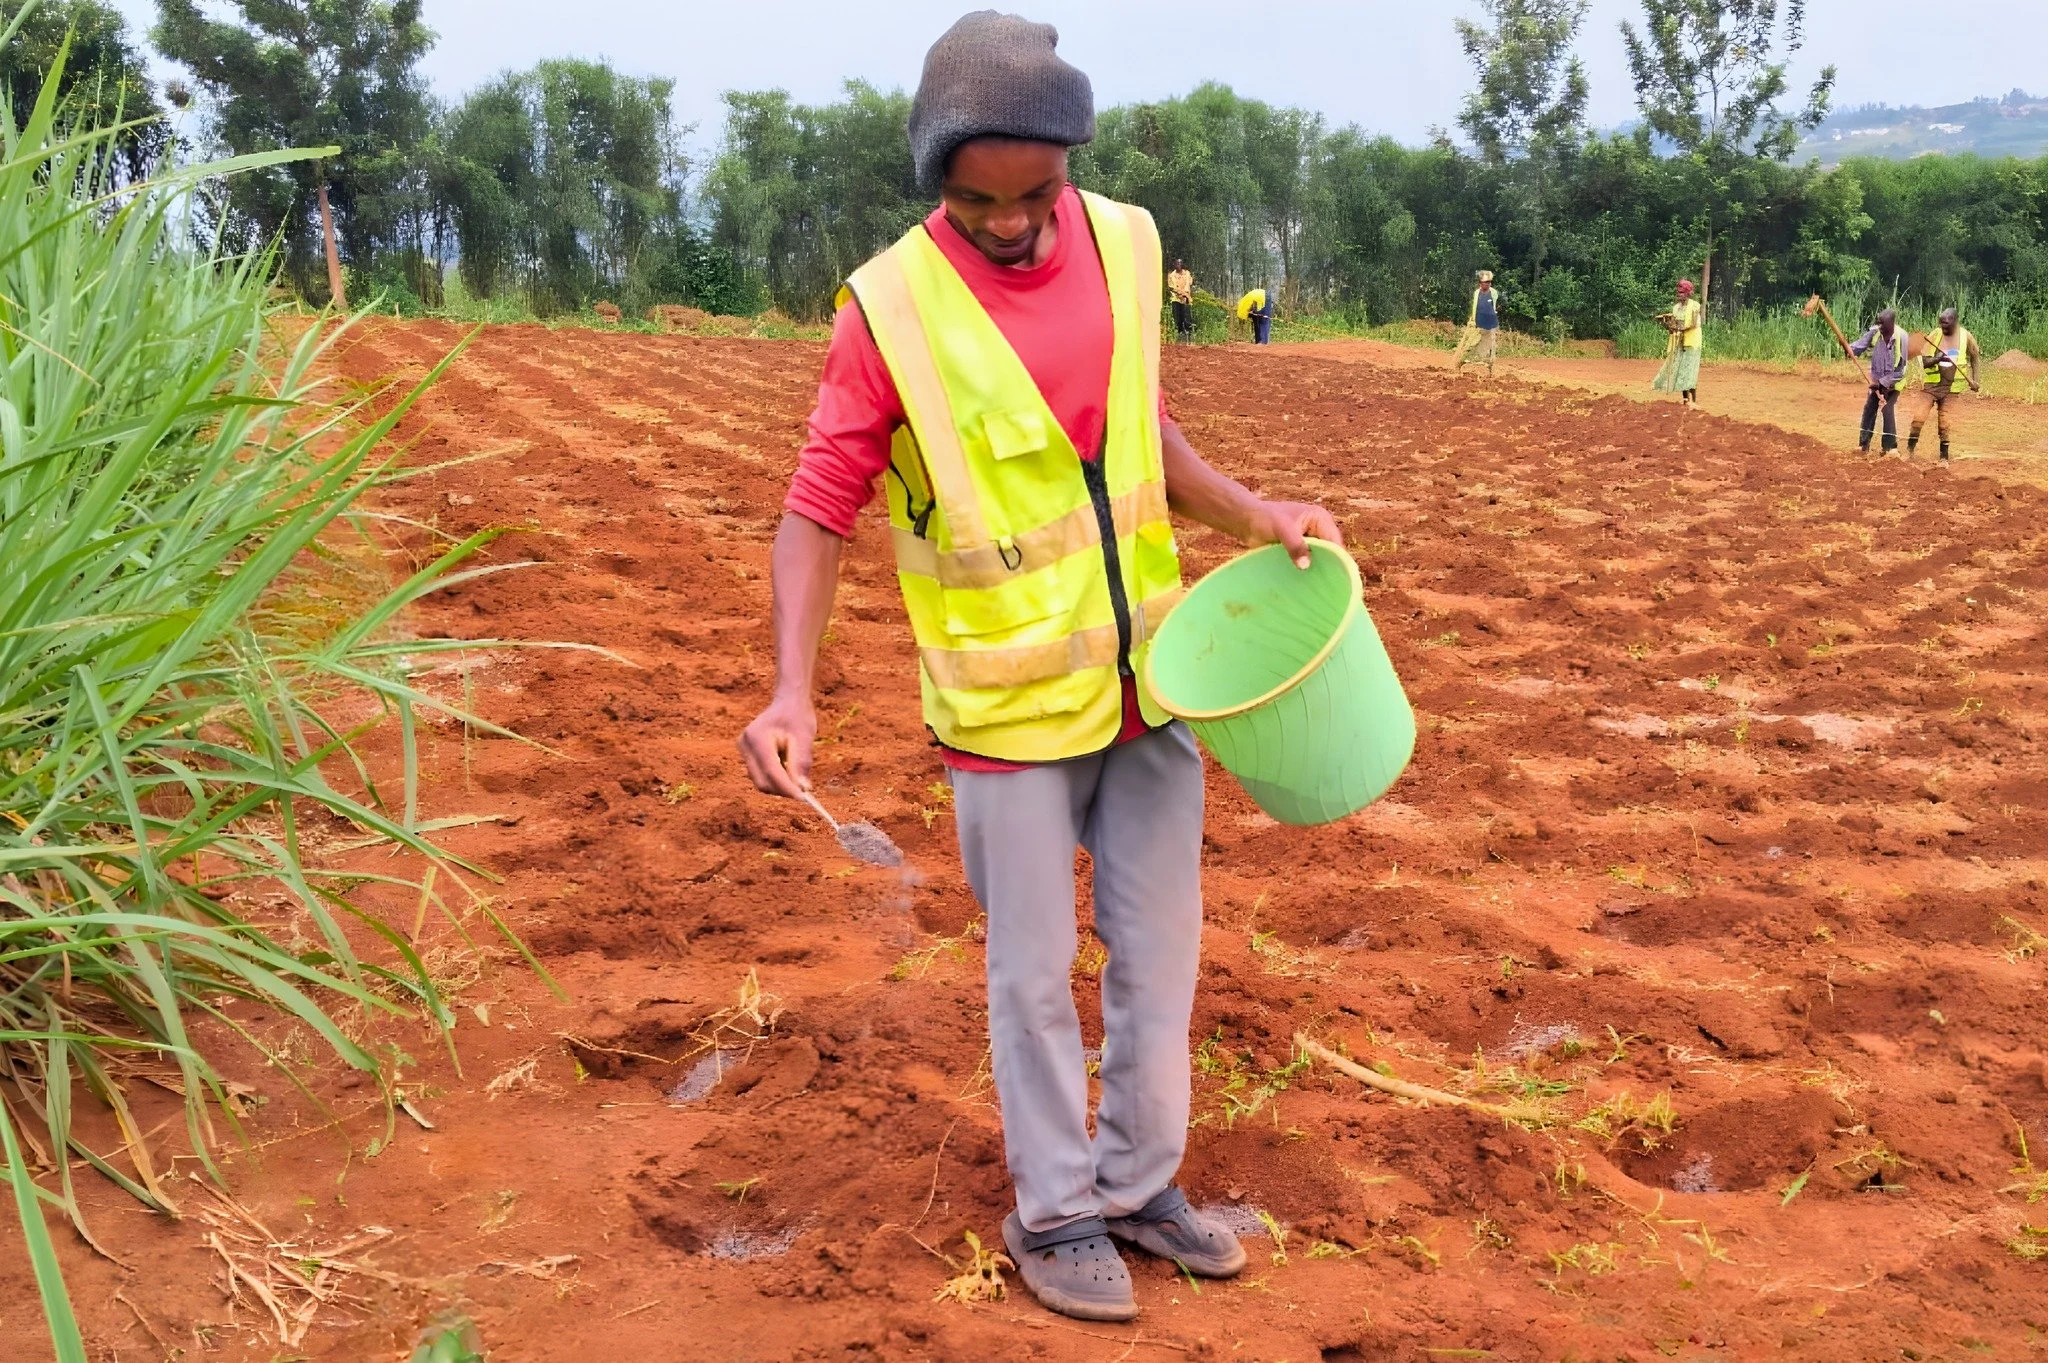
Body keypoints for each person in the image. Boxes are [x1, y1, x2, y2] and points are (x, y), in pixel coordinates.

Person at [734, 11, 1341, 1325]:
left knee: (1160, 955)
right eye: (977, 200)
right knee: (1030, 970)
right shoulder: (888, 307)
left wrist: (1254, 511)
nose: (1011, 222)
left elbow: (1147, 425)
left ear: (1071, 161)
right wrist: (794, 686)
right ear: (936, 180)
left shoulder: (1127, 243)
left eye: (1035, 193)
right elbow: (818, 500)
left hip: (1151, 684)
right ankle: (1055, 1210)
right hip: (1004, 709)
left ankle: (1138, 1185)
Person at [1906, 306, 1980, 465]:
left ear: (1955, 321)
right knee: (1918, 418)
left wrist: (1976, 379)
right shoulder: (1934, 335)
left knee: (1945, 423)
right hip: (1932, 386)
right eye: (1941, 323)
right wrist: (1937, 358)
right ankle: (1909, 453)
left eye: (1946, 324)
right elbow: (1925, 362)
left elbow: (1975, 357)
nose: (1943, 327)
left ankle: (1943, 458)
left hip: (1952, 389)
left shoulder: (1966, 336)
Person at [1848, 307, 1908, 454]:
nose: (1880, 327)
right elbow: (1859, 346)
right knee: (1869, 408)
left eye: (1883, 325)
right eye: (1879, 323)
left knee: (1887, 410)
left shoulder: (1902, 337)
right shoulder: (1875, 332)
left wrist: (1882, 384)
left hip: (1894, 382)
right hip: (1875, 379)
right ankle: (1863, 445)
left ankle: (1889, 448)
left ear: (1892, 324)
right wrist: (1848, 349)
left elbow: (1901, 370)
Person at [1651, 278, 1703, 407]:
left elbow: (1692, 324)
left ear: (1687, 293)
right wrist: (1666, 324)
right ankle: (1685, 400)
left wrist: (1677, 327)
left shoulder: (1695, 306)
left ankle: (1694, 401)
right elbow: (1673, 327)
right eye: (1678, 292)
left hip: (1692, 342)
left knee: (1689, 371)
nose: (1679, 294)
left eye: (1681, 292)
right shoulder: (1676, 308)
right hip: (1679, 341)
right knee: (1680, 370)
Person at [1453, 269, 1501, 374]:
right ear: (1480, 283)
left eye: (1489, 282)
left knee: (1491, 346)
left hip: (1491, 324)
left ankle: (1490, 368)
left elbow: (1496, 306)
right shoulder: (1477, 293)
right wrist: (1473, 320)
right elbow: (1475, 307)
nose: (1488, 284)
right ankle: (1461, 362)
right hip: (1478, 323)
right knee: (1470, 344)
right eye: (1485, 282)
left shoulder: (1494, 293)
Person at [1167, 258, 1194, 343]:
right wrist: (1180, 293)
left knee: (1187, 317)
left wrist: (1185, 294)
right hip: (1176, 298)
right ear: (1174, 265)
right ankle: (1179, 333)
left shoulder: (1187, 274)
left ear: (1182, 264)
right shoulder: (1171, 275)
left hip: (1186, 298)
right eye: (1176, 264)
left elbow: (1188, 284)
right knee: (1177, 318)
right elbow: (1172, 287)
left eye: (1179, 264)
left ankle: (1189, 334)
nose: (1178, 265)